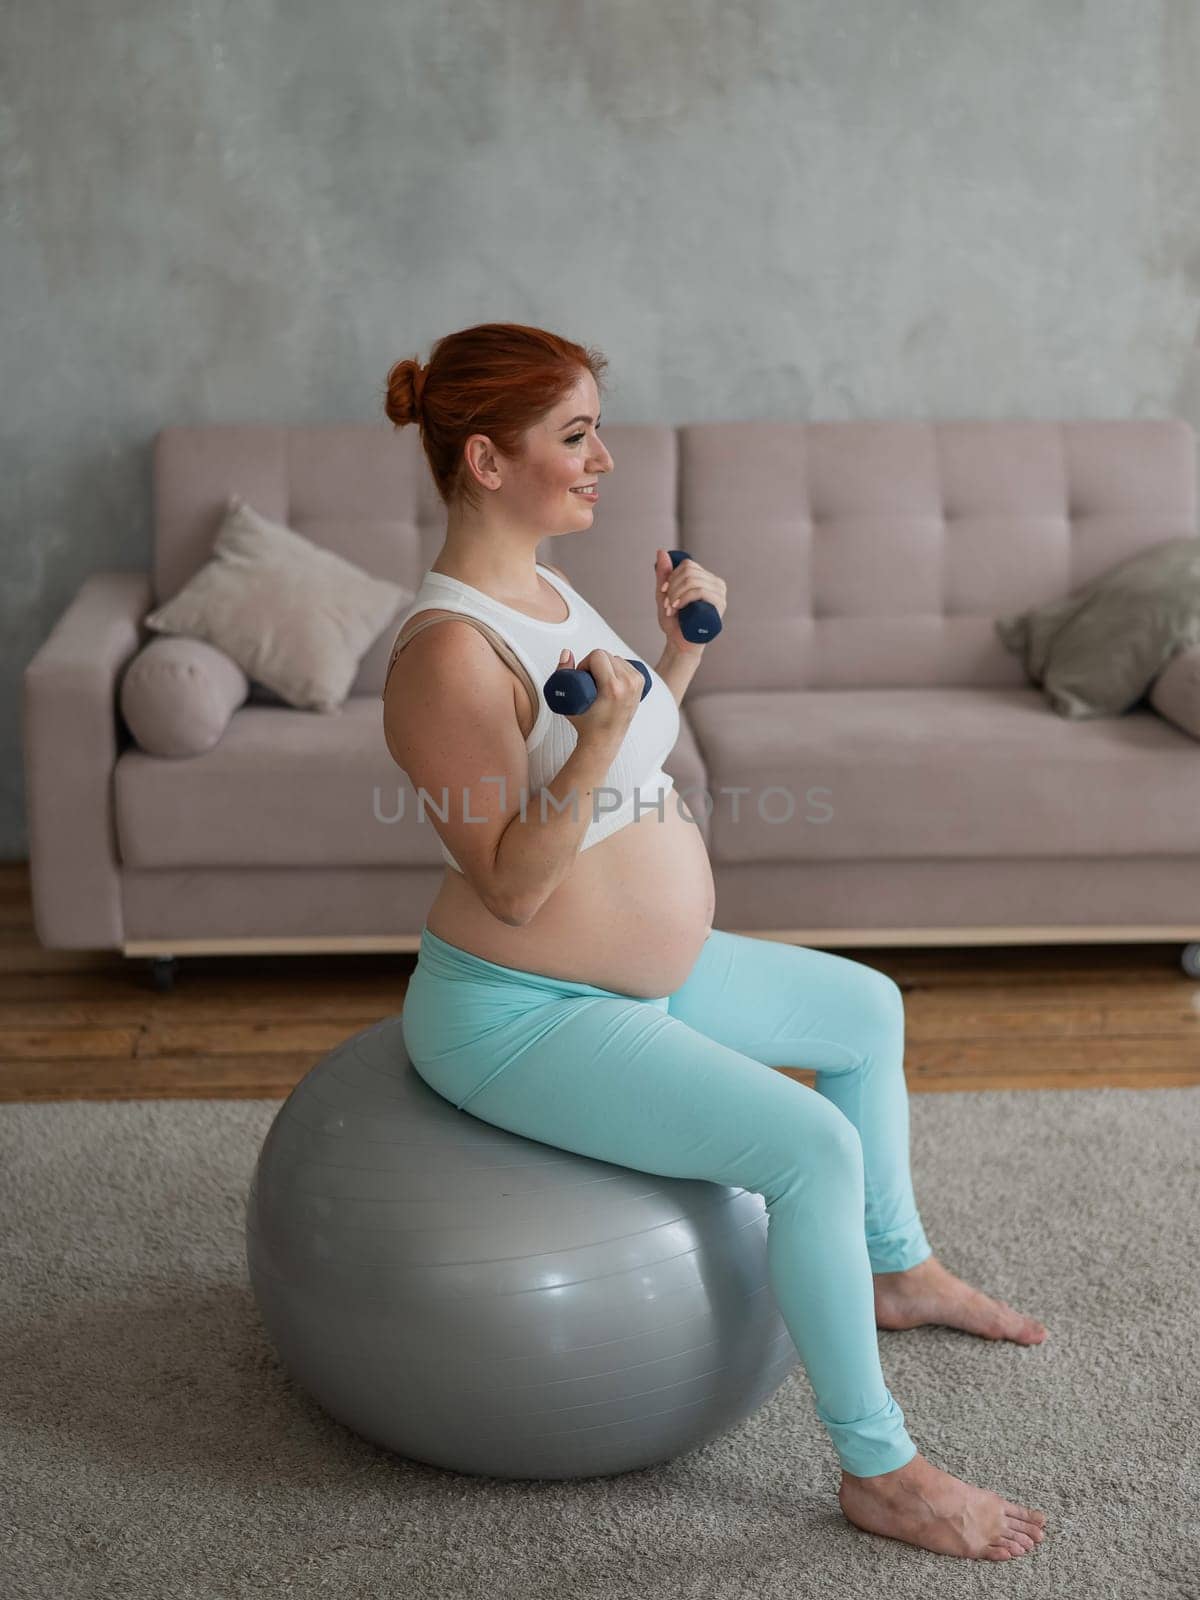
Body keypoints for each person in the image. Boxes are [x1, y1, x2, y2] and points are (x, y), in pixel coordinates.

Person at [380, 321, 1048, 1562]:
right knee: (808, 1146)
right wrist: (592, 737)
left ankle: (894, 1270)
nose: (605, 461)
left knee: (867, 1010)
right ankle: (880, 1467)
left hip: (639, 976)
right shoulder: (445, 653)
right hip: (521, 1007)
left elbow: (625, 751)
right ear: (484, 456)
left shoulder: (547, 589)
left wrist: (672, 658)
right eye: (575, 436)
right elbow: (515, 881)